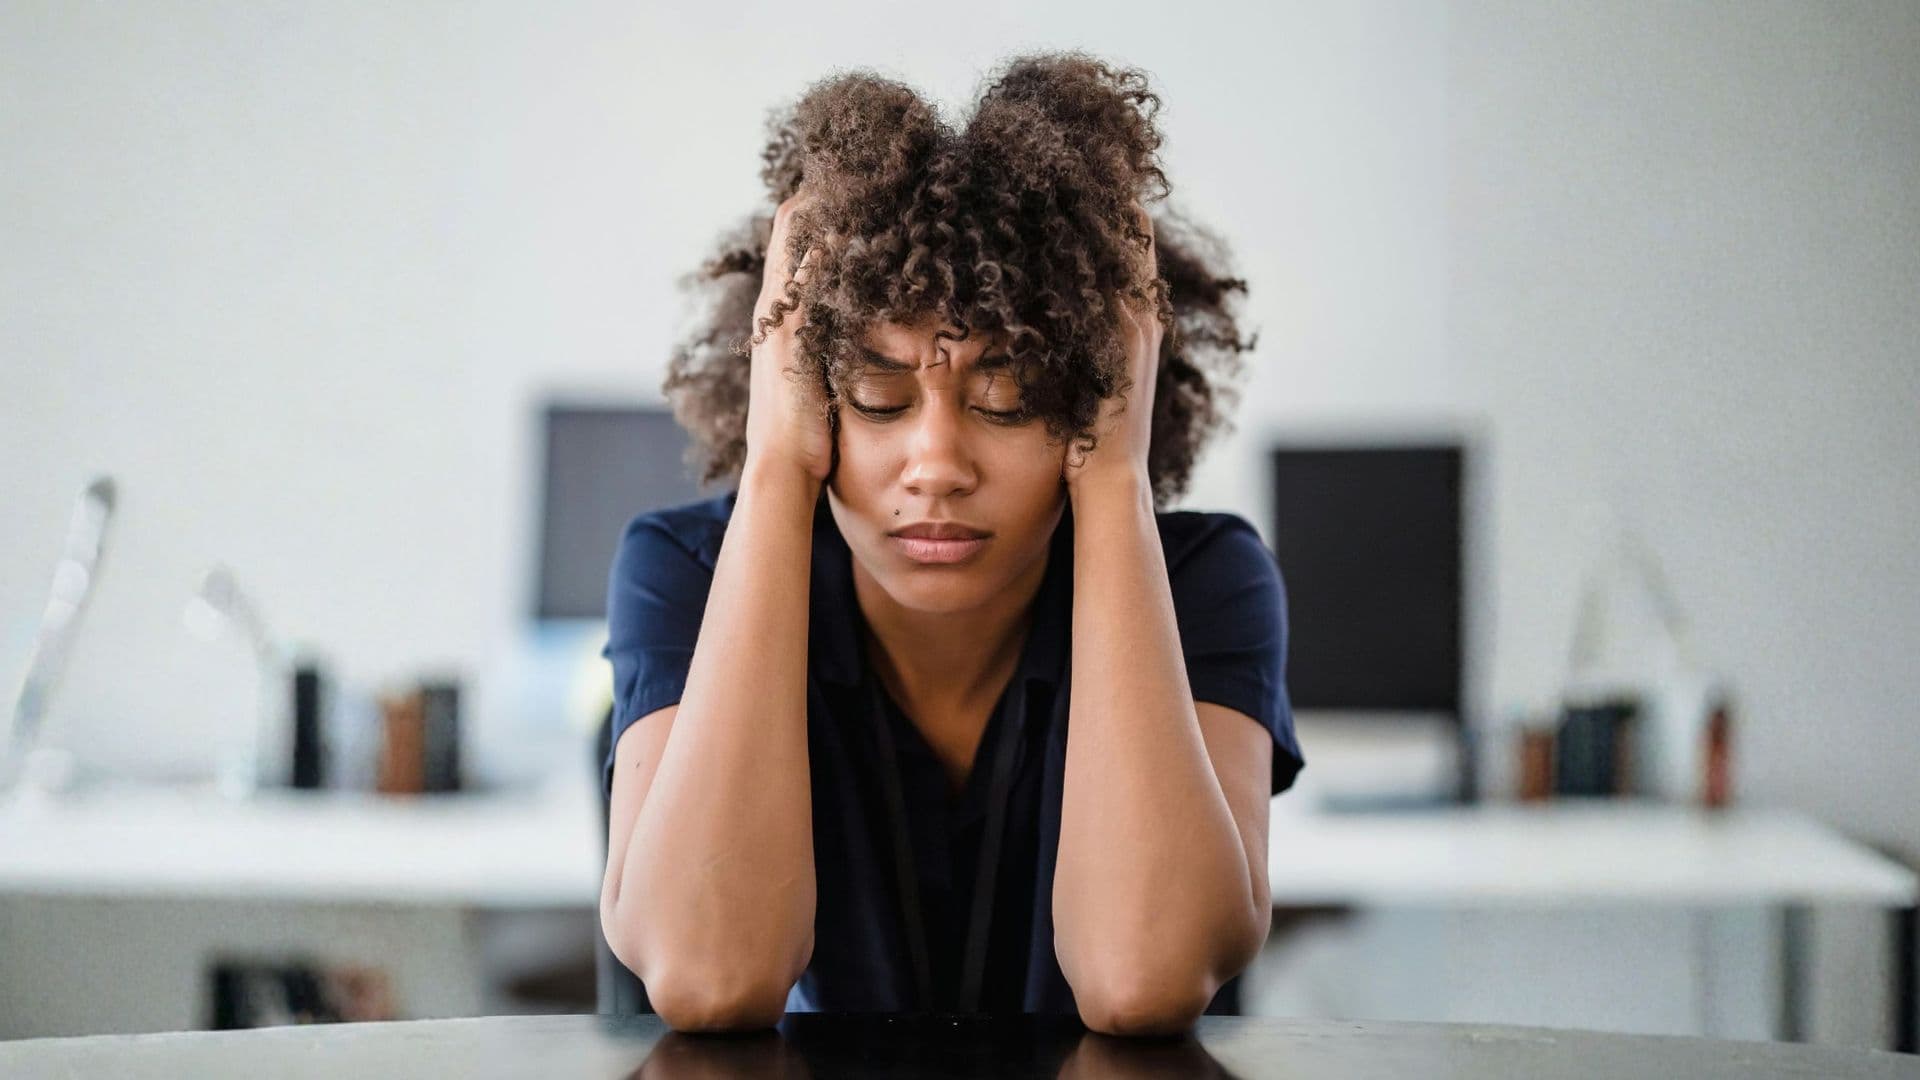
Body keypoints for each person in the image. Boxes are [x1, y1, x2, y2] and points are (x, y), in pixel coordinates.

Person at [599, 50, 1304, 1037]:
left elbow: (1143, 975)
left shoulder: (1201, 585)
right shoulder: (688, 573)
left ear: (1093, 399)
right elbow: (710, 977)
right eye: (879, 397)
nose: (935, 462)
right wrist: (773, 471)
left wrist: (1112, 482)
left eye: (1008, 400)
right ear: (802, 396)